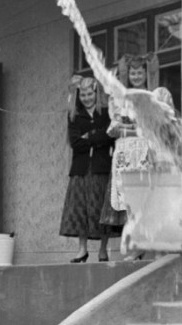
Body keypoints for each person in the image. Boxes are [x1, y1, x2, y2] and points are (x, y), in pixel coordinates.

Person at [102, 53, 158, 258]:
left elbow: (153, 126)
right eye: (132, 72)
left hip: (145, 151)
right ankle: (135, 244)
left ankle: (145, 243)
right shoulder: (120, 98)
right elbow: (113, 128)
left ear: (145, 74)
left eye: (139, 72)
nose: (136, 75)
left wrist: (135, 129)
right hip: (126, 152)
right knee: (129, 199)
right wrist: (132, 128)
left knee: (144, 197)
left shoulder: (151, 97)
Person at [59, 75, 115, 262]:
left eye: (89, 94)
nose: (86, 98)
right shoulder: (74, 115)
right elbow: (75, 143)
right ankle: (82, 249)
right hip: (81, 169)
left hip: (101, 167)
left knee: (102, 209)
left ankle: (103, 249)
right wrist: (95, 137)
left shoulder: (106, 113)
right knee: (80, 208)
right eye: (82, 94)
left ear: (96, 93)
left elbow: (109, 135)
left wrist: (89, 136)